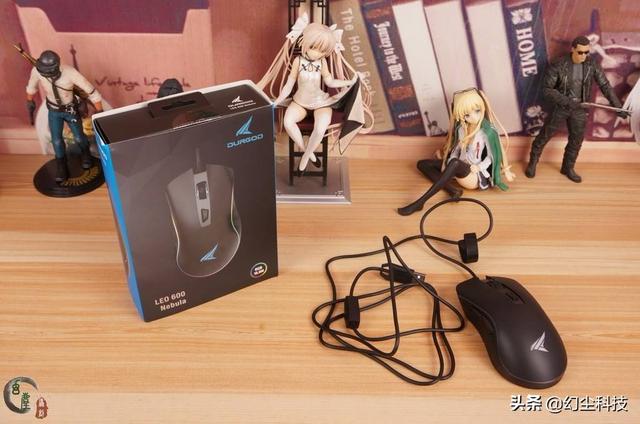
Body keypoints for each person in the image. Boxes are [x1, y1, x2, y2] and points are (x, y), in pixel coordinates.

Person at [258, 13, 373, 171]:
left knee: (320, 128)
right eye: (313, 47)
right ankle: (308, 152)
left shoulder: (322, 62)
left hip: (321, 102)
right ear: (305, 42)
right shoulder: (298, 61)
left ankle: (306, 156)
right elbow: (289, 85)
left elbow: (330, 81)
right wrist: (278, 100)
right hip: (299, 102)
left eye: (322, 50)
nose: (316, 53)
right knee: (288, 122)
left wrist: (350, 82)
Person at [525, 35, 628, 183]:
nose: (584, 56)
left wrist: (618, 107)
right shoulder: (559, 64)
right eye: (580, 52)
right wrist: (567, 101)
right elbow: (547, 89)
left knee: (576, 141)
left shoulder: (591, 65)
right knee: (544, 136)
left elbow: (605, 86)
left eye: (586, 52)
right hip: (561, 107)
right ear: (573, 49)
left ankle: (568, 168)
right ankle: (532, 163)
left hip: (580, 109)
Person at [398, 88, 515, 216]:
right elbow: (457, 149)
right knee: (423, 164)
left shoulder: (487, 132)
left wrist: (479, 167)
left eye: (477, 111)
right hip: (458, 167)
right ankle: (452, 191)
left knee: (455, 163)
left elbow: (492, 157)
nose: (473, 117)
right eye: (467, 115)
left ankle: (420, 202)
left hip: (473, 174)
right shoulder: (461, 129)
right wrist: (449, 161)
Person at [26, 50, 103, 183]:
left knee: (79, 137)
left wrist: (100, 111)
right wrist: (29, 100)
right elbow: (32, 86)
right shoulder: (37, 71)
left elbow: (91, 91)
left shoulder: (70, 73)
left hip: (70, 110)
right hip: (54, 111)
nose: (45, 73)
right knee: (56, 140)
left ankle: (86, 155)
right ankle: (61, 164)